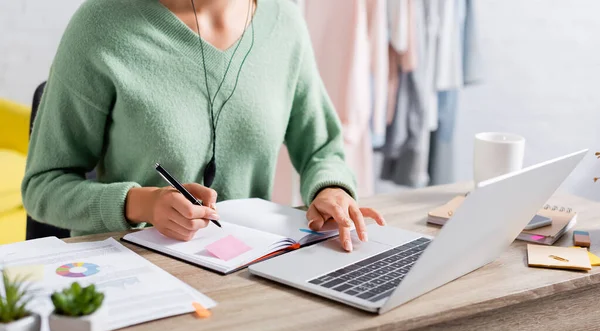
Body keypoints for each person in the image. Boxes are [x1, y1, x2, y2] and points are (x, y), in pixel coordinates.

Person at [22, 0, 385, 252]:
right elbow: (43, 188)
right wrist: (141, 204)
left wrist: (331, 189)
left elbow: (322, 150)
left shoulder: (285, 23)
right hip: (132, 277)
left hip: (250, 270)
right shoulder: (101, 25)